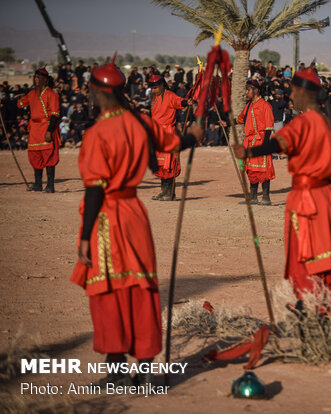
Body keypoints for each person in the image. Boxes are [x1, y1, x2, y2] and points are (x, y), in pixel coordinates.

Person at [70, 60, 203, 386]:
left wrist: (86, 236)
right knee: (140, 289)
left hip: (107, 220)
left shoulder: (98, 133)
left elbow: (95, 189)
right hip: (135, 216)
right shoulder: (140, 122)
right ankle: (142, 369)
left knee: (110, 291)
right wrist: (194, 135)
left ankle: (116, 371)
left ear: (100, 93)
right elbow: (172, 144)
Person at [232, 68, 331, 317]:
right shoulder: (323, 120)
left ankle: (309, 309)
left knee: (305, 259)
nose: (290, 97)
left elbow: (280, 143)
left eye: (292, 92)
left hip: (308, 200)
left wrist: (250, 152)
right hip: (325, 199)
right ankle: (319, 310)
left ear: (301, 92)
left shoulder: (306, 121)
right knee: (322, 258)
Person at [228, 79, 275, 205]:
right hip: (249, 142)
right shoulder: (248, 105)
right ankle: (253, 197)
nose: (246, 93)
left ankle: (266, 198)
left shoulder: (265, 105)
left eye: (247, 90)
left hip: (261, 141)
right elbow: (240, 119)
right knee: (251, 169)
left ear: (255, 90)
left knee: (263, 169)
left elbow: (269, 127)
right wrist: (227, 123)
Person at [17, 68, 61, 193]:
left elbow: (55, 114)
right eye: (35, 77)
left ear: (45, 80)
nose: (35, 79)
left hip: (46, 127)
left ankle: (50, 186)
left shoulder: (52, 94)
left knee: (48, 156)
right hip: (34, 129)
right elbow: (20, 104)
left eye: (38, 77)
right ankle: (37, 184)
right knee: (35, 156)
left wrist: (49, 131)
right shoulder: (32, 93)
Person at [148, 74, 191, 201]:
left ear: (161, 85)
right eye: (152, 88)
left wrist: (186, 102)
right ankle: (164, 191)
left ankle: (170, 193)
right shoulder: (155, 98)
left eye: (155, 88)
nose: (153, 90)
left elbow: (179, 101)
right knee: (161, 164)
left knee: (169, 163)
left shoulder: (170, 95)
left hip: (167, 133)